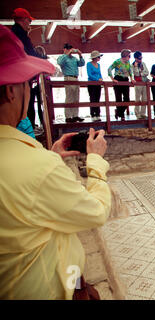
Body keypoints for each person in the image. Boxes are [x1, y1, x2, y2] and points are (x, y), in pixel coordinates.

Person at [0, 25, 111, 300]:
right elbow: (95, 212)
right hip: (49, 285)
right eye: (28, 83)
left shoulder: (33, 162)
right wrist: (95, 160)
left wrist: (49, 157)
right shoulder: (37, 168)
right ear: (13, 91)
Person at [57, 43, 85, 123]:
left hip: (76, 78)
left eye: (71, 49)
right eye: (68, 49)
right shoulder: (62, 57)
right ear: (64, 49)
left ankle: (75, 115)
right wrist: (67, 54)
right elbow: (60, 63)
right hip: (68, 77)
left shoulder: (74, 59)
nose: (70, 51)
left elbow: (81, 64)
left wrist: (80, 55)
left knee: (76, 97)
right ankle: (68, 116)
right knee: (69, 97)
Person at [108, 49, 134, 121]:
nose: (130, 57)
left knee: (127, 99)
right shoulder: (117, 62)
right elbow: (109, 69)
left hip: (125, 79)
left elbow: (130, 71)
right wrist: (112, 79)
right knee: (118, 98)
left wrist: (132, 78)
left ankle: (118, 112)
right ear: (125, 56)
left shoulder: (128, 62)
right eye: (129, 56)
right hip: (118, 79)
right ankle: (122, 115)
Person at [28, 46, 47, 131]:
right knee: (36, 105)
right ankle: (38, 124)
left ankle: (39, 124)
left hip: (37, 84)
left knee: (37, 105)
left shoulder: (41, 61)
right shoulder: (34, 61)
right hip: (34, 84)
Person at [86, 50, 103, 122]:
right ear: (95, 57)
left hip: (98, 84)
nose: (99, 58)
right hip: (91, 83)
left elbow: (99, 73)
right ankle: (93, 114)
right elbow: (89, 74)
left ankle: (98, 113)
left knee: (97, 98)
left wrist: (101, 80)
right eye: (98, 57)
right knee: (92, 98)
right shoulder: (89, 64)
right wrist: (97, 79)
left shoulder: (98, 65)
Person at [132, 51, 149, 120]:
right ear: (135, 58)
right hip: (138, 83)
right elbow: (135, 74)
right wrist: (136, 68)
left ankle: (143, 113)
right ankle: (137, 114)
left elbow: (147, 72)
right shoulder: (132, 65)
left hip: (144, 83)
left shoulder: (143, 64)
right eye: (139, 58)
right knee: (137, 99)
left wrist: (140, 73)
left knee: (144, 98)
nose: (140, 59)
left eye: (141, 58)